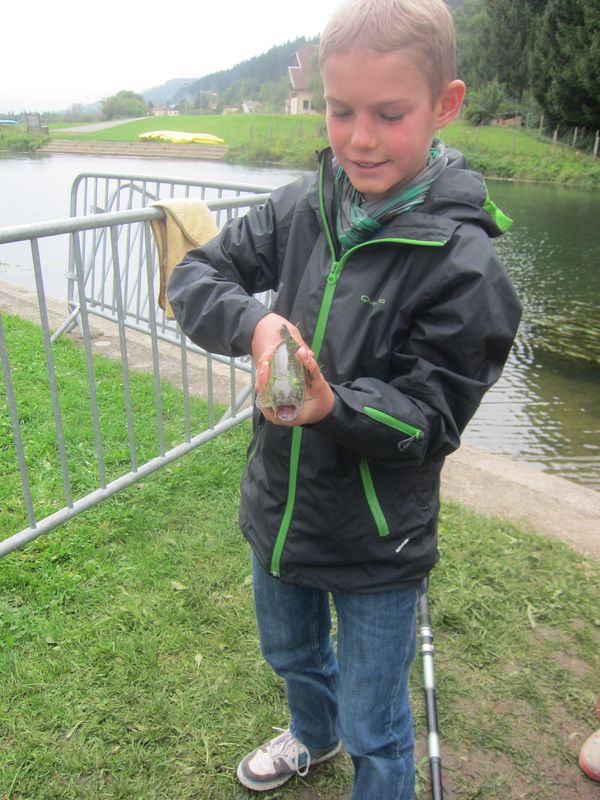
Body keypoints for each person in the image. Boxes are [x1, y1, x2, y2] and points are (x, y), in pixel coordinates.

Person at [168, 0, 522, 797]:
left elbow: (432, 417)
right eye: (340, 111)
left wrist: (335, 407)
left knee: (378, 724)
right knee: (291, 654)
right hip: (281, 509)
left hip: (379, 541)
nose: (360, 139)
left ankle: (359, 751)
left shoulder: (466, 266)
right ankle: (312, 734)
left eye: (390, 115)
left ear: (445, 104)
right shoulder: (304, 205)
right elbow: (196, 274)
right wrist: (256, 325)